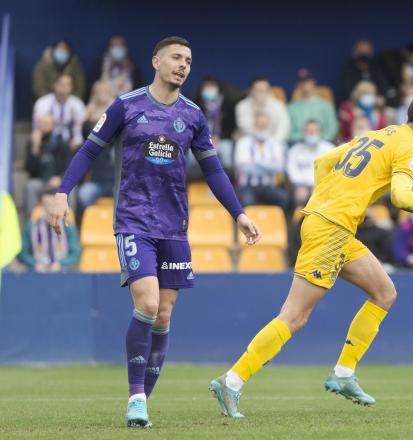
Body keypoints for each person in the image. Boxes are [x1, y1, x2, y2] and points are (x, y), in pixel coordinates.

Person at [47, 36, 260, 428]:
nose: (184, 65)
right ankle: (136, 398)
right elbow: (89, 151)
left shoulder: (194, 115)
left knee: (163, 316)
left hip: (174, 225)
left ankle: (143, 402)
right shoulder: (125, 106)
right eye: (177, 58)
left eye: (189, 60)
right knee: (146, 304)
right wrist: (63, 192)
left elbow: (212, 169)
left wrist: (238, 214)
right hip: (133, 220)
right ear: (157, 61)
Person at [209, 91, 413, 417]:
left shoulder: (379, 135)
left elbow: (322, 162)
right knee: (295, 316)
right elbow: (401, 197)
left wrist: (326, 202)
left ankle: (343, 373)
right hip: (330, 228)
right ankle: (232, 380)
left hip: (333, 226)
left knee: (384, 292)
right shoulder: (409, 147)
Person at [234, 112, 290, 212]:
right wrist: (269, 166)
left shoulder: (275, 144)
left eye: (265, 125)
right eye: (259, 125)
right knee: (246, 202)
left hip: (268, 186)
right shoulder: (243, 142)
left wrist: (256, 162)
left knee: (284, 198)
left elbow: (279, 168)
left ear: (269, 127)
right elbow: (245, 168)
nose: (262, 128)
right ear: (254, 126)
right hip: (247, 186)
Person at [76, 80, 116, 218]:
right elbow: (87, 137)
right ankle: (92, 224)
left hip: (118, 181)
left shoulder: (118, 114)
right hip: (97, 182)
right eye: (99, 91)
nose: (102, 95)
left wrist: (112, 109)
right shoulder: (89, 119)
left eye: (105, 91)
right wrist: (87, 115)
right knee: (83, 194)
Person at [17, 189, 80, 272]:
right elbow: (22, 253)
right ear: (40, 205)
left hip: (62, 272)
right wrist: (34, 263)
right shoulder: (30, 227)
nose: (49, 209)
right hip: (37, 271)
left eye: (52, 205)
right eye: (45, 204)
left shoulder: (68, 227)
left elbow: (75, 254)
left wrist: (61, 264)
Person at [24, 113, 72, 216]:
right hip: (41, 181)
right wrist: (35, 147)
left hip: (59, 182)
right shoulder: (32, 142)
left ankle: (70, 223)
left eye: (47, 123)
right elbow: (29, 170)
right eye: (41, 123)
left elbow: (69, 166)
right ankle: (31, 223)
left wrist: (60, 178)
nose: (43, 126)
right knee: (31, 187)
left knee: (72, 189)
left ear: (53, 126)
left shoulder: (60, 142)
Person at [286, 120, 335, 208]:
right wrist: (303, 183)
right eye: (308, 131)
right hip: (301, 185)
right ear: (303, 133)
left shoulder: (330, 149)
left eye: (314, 131)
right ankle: (298, 219)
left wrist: (318, 186)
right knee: (300, 194)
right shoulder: (295, 150)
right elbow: (291, 170)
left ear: (320, 133)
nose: (311, 134)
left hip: (323, 187)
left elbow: (334, 171)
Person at [32, 73, 86, 152]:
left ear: (72, 87)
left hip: (69, 138)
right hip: (48, 137)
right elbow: (36, 128)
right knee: (35, 141)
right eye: (61, 84)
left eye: (68, 84)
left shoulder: (77, 104)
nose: (64, 87)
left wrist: (76, 142)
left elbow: (78, 131)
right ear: (54, 85)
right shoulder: (42, 103)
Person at [287, 70, 338, 143]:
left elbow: (332, 129)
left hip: (323, 144)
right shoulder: (291, 107)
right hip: (299, 145)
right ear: (298, 85)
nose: (305, 84)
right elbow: (288, 133)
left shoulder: (326, 105)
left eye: (307, 81)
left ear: (313, 82)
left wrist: (317, 138)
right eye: (302, 82)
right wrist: (305, 137)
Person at [236, 77, 290, 143]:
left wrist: (272, 143)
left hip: (275, 141)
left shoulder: (278, 105)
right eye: (258, 90)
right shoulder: (242, 106)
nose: (261, 93)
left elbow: (283, 127)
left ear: (269, 91)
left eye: (264, 90)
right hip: (249, 142)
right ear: (251, 91)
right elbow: (245, 128)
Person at [340, 39, 393, 103]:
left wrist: (381, 98)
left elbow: (385, 88)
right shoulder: (349, 69)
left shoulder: (376, 68)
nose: (364, 53)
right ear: (355, 52)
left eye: (366, 51)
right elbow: (348, 93)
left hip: (376, 103)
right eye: (361, 51)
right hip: (356, 103)